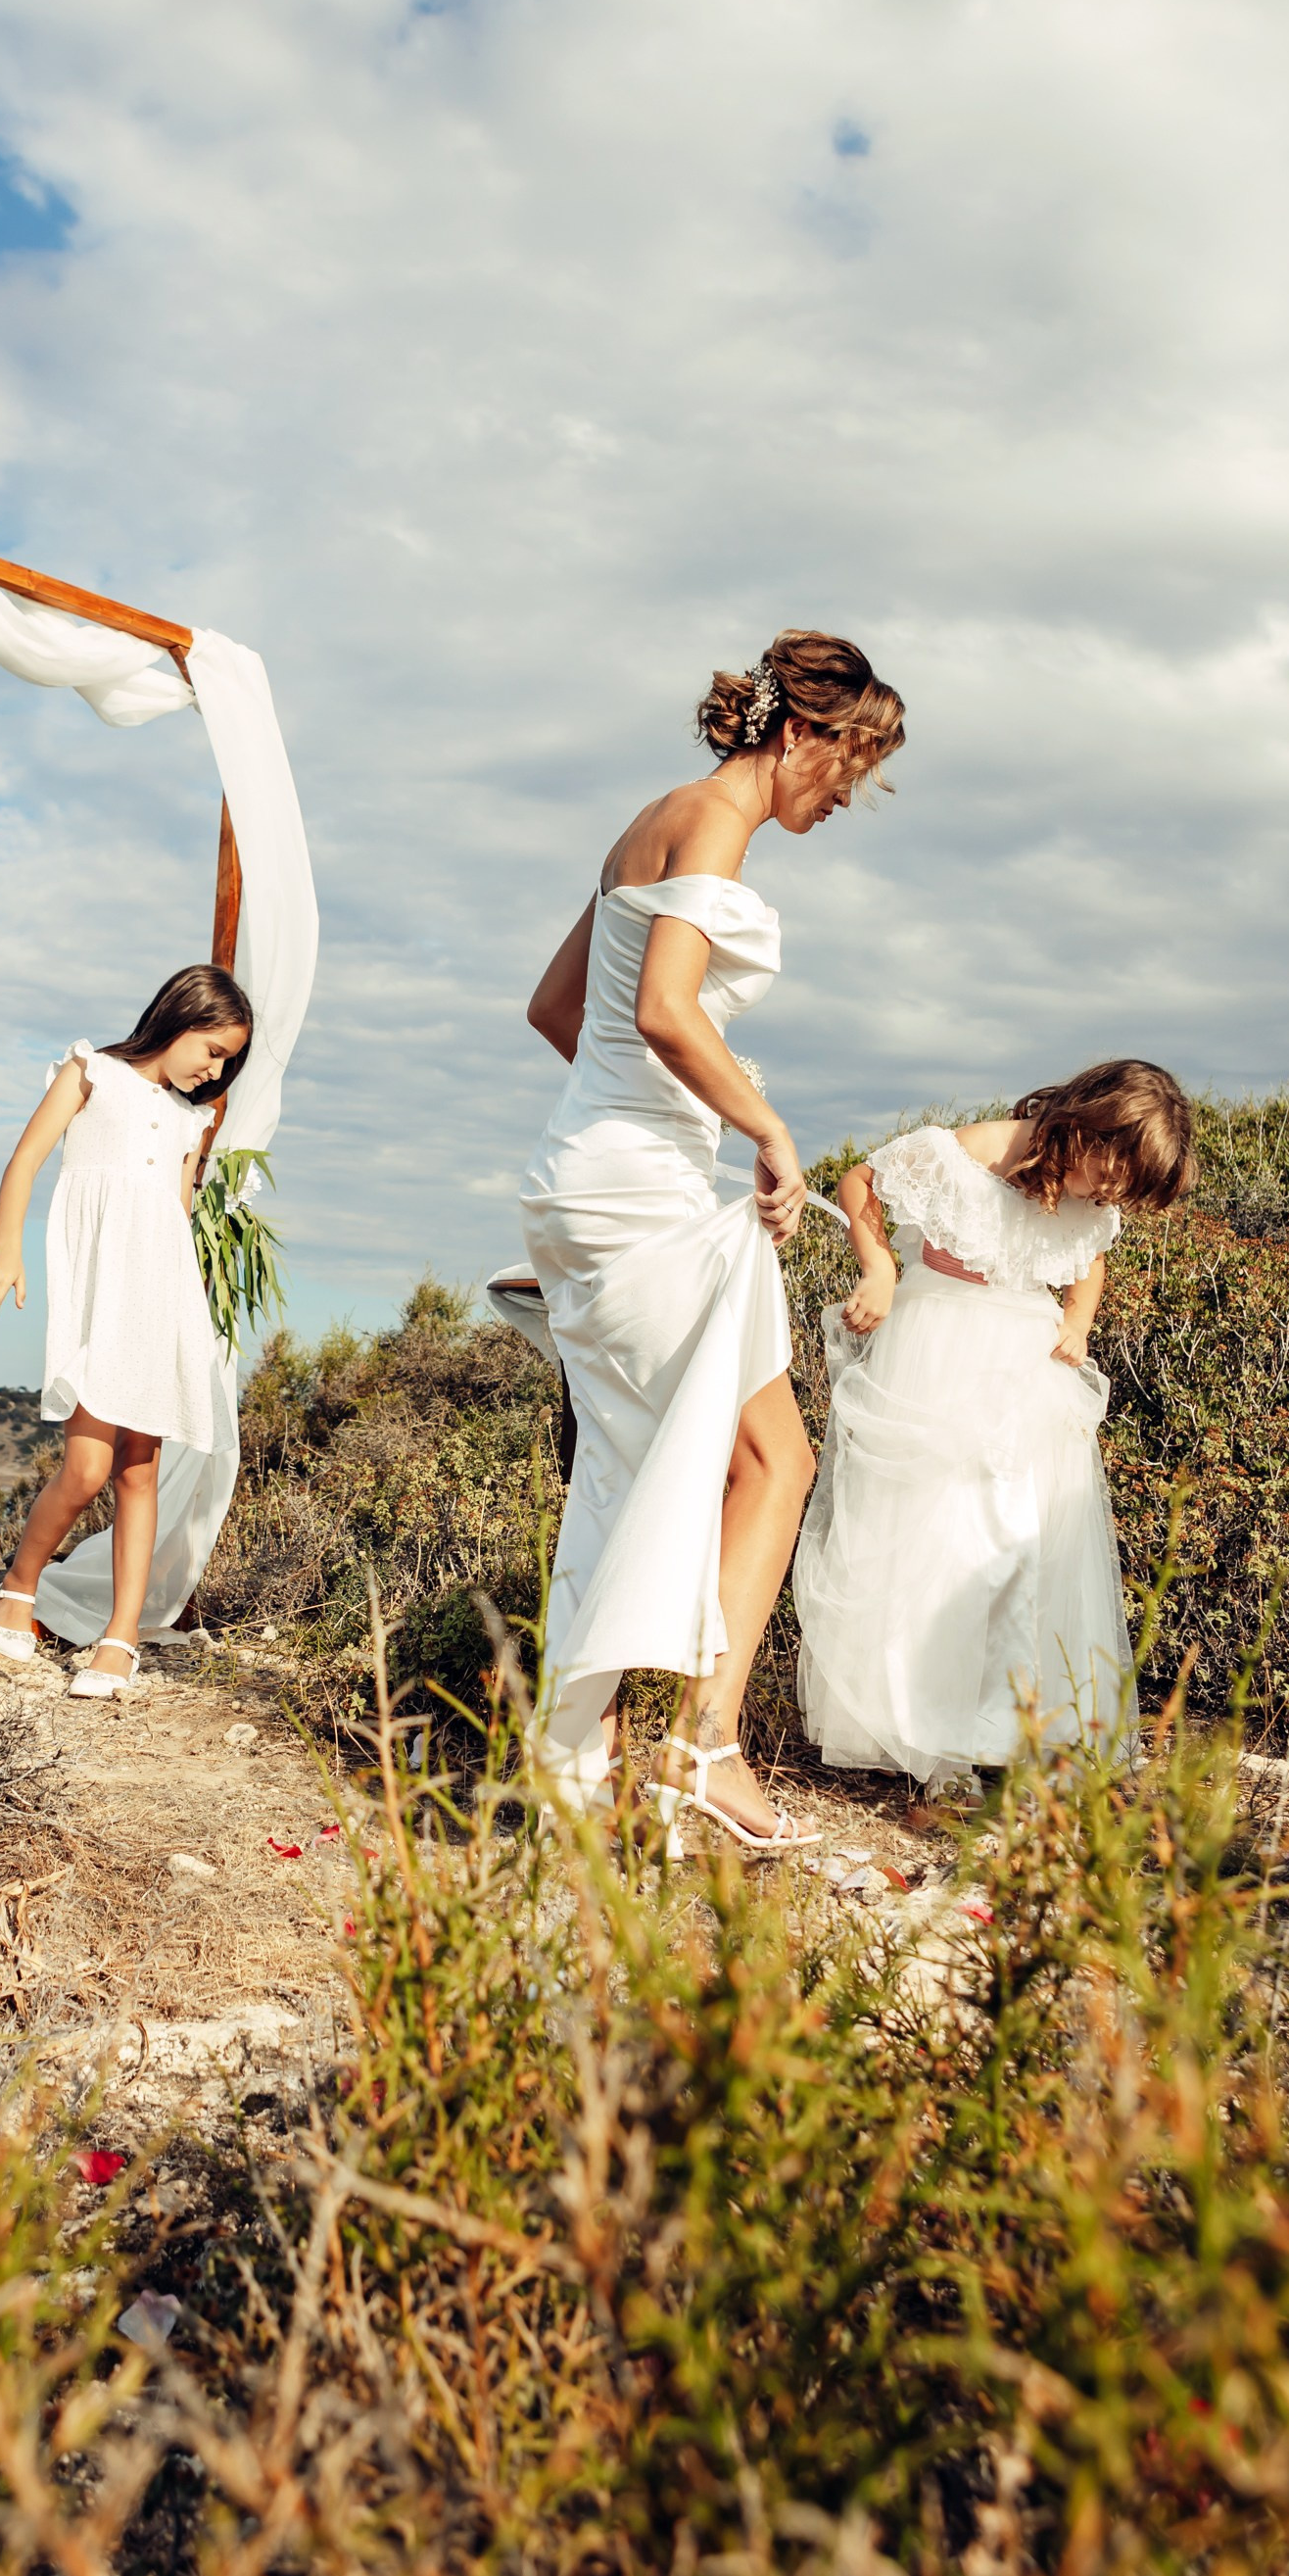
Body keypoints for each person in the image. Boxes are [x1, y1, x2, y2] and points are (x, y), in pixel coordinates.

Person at [520, 629, 906, 1849]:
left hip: (596, 1172)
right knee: (768, 1464)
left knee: (720, 1463)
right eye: (851, 764)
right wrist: (767, 1126)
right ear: (801, 735)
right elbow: (661, 1008)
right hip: (644, 1192)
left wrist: (664, 1105)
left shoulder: (652, 816)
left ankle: (622, 1748)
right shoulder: (718, 821)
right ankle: (703, 1747)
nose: (849, 795)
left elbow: (557, 1012)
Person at [792, 1059, 1196, 1792]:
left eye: (1127, 1188)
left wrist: (1077, 1318)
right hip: (939, 1342)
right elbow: (859, 1183)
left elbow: (1090, 1257)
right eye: (1114, 1170)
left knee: (1018, 1542)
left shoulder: (1088, 1203)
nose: (1111, 1193)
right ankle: (925, 1736)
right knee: (933, 1533)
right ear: (1086, 1123)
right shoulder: (967, 1150)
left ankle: (1002, 1731)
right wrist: (878, 1269)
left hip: (1024, 1358)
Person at [0, 964, 253, 1692]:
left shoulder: (196, 1118)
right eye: (212, 1050)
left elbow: (173, 1218)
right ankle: (19, 1585)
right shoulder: (89, 1071)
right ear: (180, 1017)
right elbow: (25, 1160)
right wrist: (7, 1249)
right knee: (87, 1467)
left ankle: (119, 1640)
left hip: (162, 1297)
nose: (214, 1069)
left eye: (228, 1061)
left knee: (138, 1468)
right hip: (98, 1295)